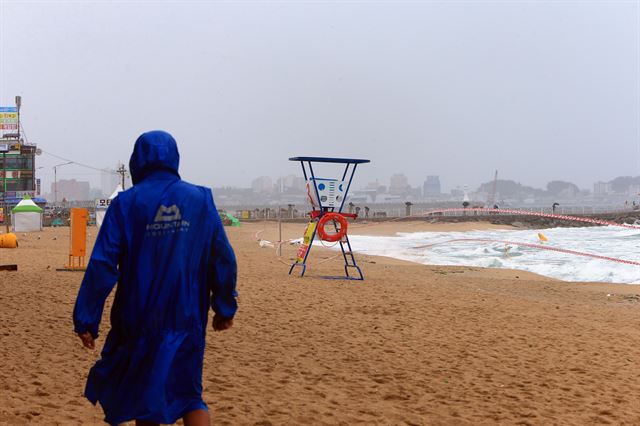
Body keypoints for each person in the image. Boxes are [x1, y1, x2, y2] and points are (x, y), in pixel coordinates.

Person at [73, 130, 238, 426]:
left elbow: (102, 265)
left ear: (137, 160)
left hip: (138, 318)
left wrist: (86, 319)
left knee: (144, 398)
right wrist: (224, 307)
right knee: (190, 395)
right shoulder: (200, 199)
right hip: (187, 317)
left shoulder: (126, 204)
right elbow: (222, 257)